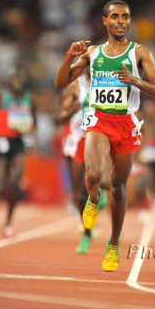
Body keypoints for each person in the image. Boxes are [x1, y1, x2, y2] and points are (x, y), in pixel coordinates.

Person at [55, 0, 155, 271]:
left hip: (126, 123)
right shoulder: (93, 53)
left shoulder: (139, 52)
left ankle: (113, 244)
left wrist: (136, 81)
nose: (121, 21)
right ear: (104, 21)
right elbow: (60, 83)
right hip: (99, 119)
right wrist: (69, 56)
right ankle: (93, 200)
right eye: (115, 16)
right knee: (92, 175)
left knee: (118, 187)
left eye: (125, 17)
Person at [55, 69, 109, 254]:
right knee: (79, 193)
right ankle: (87, 232)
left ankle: (101, 190)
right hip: (78, 139)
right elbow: (59, 117)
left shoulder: (108, 84)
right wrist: (73, 109)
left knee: (102, 181)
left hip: (99, 137)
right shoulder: (76, 87)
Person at [0, 68, 36, 238]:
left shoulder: (29, 99)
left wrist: (31, 137)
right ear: (7, 81)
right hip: (2, 141)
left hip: (19, 141)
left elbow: (35, 119)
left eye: (19, 79)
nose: (16, 82)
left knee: (14, 181)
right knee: (0, 187)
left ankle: (8, 222)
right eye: (13, 79)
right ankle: (4, 190)